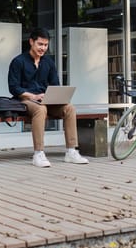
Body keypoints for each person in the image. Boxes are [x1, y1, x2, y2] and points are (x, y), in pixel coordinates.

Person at [8, 28, 89, 167]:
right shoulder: (18, 61)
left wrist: (53, 96)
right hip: (25, 99)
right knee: (40, 110)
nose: (43, 48)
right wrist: (33, 95)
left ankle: (71, 151)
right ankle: (38, 154)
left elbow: (55, 84)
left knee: (69, 108)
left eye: (45, 45)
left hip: (46, 100)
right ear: (31, 42)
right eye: (40, 44)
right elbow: (14, 87)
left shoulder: (49, 62)